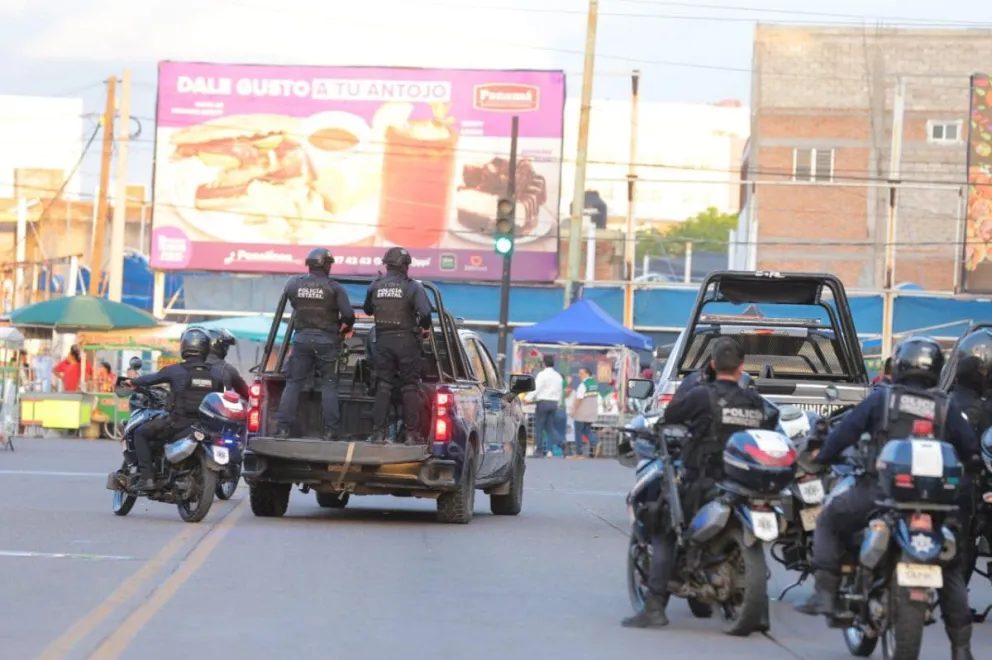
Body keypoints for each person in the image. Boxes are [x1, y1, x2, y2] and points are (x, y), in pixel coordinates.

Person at [795, 336, 977, 660]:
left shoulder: (883, 400)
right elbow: (971, 452)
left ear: (900, 364)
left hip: (879, 494)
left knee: (828, 519)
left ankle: (824, 593)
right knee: (950, 564)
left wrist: (822, 455)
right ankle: (961, 648)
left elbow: (845, 432)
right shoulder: (947, 407)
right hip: (935, 507)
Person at [623, 337, 777, 629]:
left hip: (703, 482)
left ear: (712, 365)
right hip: (744, 482)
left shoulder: (702, 395)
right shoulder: (755, 401)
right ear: (742, 367)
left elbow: (668, 418)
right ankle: (761, 612)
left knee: (663, 525)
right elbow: (772, 424)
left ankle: (655, 605)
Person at [125, 328, 228, 492]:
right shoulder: (216, 374)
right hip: (206, 426)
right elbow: (220, 397)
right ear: (206, 348)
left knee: (140, 433)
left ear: (184, 346)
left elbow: (151, 379)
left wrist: (132, 382)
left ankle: (147, 478)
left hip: (178, 424)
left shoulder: (176, 370)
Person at [274, 248, 355, 441]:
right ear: (327, 265)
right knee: (329, 385)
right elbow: (349, 315)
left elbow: (291, 303)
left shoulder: (293, 284)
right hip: (327, 341)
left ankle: (282, 429)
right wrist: (345, 328)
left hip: (301, 340)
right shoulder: (334, 287)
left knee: (293, 384)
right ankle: (330, 432)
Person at [363, 246, 432, 444]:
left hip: (382, 341)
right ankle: (411, 434)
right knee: (409, 386)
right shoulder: (413, 287)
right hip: (407, 342)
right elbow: (425, 313)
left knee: (383, 385)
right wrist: (424, 328)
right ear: (405, 266)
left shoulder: (375, 286)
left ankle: (378, 433)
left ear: (387, 265)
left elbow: (368, 310)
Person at [525, 354, 564, 458]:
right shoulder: (558, 376)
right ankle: (559, 441)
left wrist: (528, 398)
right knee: (550, 427)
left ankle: (539, 450)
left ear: (544, 363)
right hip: (554, 403)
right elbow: (560, 391)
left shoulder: (542, 375)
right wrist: (559, 403)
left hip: (543, 403)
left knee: (539, 427)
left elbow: (536, 388)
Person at [205, 328, 250, 399]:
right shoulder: (228, 369)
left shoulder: (187, 367)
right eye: (226, 347)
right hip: (218, 409)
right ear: (222, 347)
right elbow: (247, 394)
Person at [571, 367, 600, 458]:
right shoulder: (595, 384)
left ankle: (579, 453)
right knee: (587, 430)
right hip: (591, 412)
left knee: (578, 432)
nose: (579, 375)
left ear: (587, 374)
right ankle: (596, 441)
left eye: (581, 373)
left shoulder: (583, 385)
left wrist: (574, 410)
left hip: (582, 412)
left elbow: (579, 398)